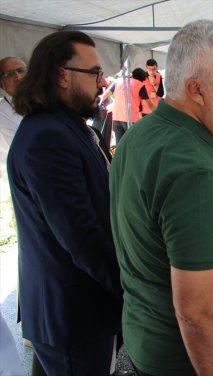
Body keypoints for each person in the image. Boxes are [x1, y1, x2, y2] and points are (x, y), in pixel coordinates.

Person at [109, 19, 213, 376]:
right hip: (192, 360)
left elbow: (162, 224)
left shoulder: (143, 134)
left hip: (153, 339)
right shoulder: (192, 171)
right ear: (197, 90)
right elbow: (197, 313)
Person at [7, 30, 121, 375]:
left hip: (76, 309)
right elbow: (80, 235)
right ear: (61, 75)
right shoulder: (47, 136)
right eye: (95, 73)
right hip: (72, 313)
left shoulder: (66, 126)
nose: (102, 83)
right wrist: (133, 288)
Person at [0, 57, 27, 173]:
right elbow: (26, 150)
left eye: (21, 70)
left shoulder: (47, 101)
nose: (18, 77)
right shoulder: (1, 113)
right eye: (9, 74)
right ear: (1, 84)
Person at [109, 67, 145, 143]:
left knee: (119, 145)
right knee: (134, 143)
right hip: (132, 118)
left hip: (117, 117)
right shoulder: (140, 85)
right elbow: (146, 103)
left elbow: (105, 94)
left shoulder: (117, 81)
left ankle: (119, 155)